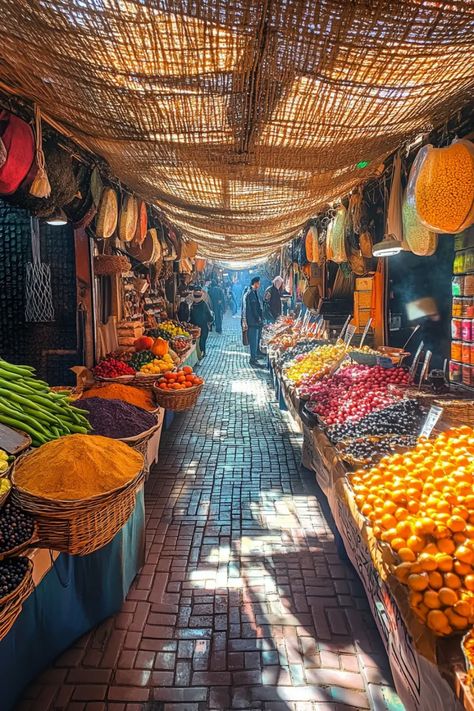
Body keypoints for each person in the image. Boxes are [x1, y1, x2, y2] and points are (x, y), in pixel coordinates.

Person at [244, 276, 264, 367]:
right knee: (253, 340)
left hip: (253, 321)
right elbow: (253, 308)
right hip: (253, 321)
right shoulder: (251, 293)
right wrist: (258, 318)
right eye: (258, 283)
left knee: (255, 340)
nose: (259, 285)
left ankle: (255, 356)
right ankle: (253, 359)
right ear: (255, 283)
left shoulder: (252, 292)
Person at [190, 287, 214, 357]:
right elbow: (209, 316)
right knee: (203, 339)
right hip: (203, 326)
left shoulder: (193, 305)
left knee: (197, 340)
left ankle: (199, 353)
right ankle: (202, 352)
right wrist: (211, 319)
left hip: (194, 326)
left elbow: (190, 316)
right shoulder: (204, 304)